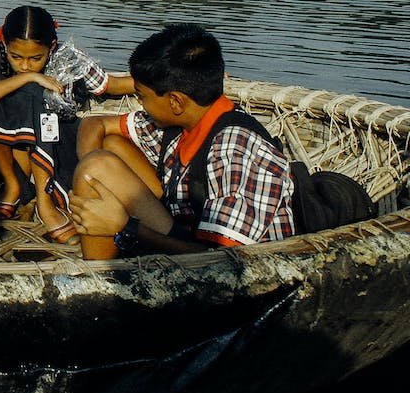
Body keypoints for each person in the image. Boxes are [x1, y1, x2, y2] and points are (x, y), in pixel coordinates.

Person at [68, 23, 296, 260]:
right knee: (99, 162)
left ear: (175, 102)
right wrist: (85, 181)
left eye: (142, 97)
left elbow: (228, 260)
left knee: (94, 169)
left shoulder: (234, 149)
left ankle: (102, 277)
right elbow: (95, 125)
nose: (141, 104)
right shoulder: (184, 122)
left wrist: (125, 227)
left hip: (233, 264)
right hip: (188, 234)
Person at [0, 6, 135, 244]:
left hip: (55, 138)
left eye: (35, 59)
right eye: (16, 57)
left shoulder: (68, 58)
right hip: (4, 146)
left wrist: (159, 82)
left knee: (37, 99)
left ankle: (44, 198)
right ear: (5, 45)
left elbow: (110, 85)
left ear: (51, 47)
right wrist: (28, 78)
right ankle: (13, 185)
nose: (24, 65)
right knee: (18, 93)